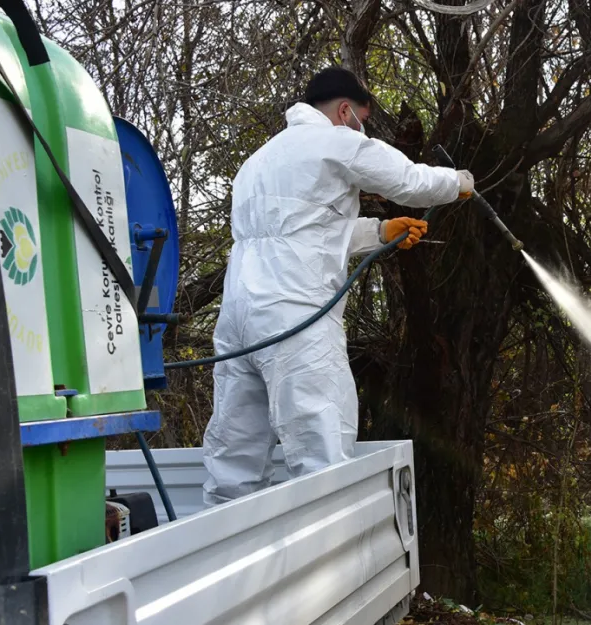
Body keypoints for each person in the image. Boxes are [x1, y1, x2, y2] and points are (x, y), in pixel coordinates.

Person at [201, 67, 473, 506]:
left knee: (234, 457)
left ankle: (221, 554)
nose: (361, 129)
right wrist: (455, 182)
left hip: (238, 322)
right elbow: (409, 181)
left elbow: (300, 234)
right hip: (296, 316)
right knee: (320, 451)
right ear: (345, 111)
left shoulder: (258, 162)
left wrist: (379, 231)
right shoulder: (334, 140)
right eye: (361, 120)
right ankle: (327, 564)